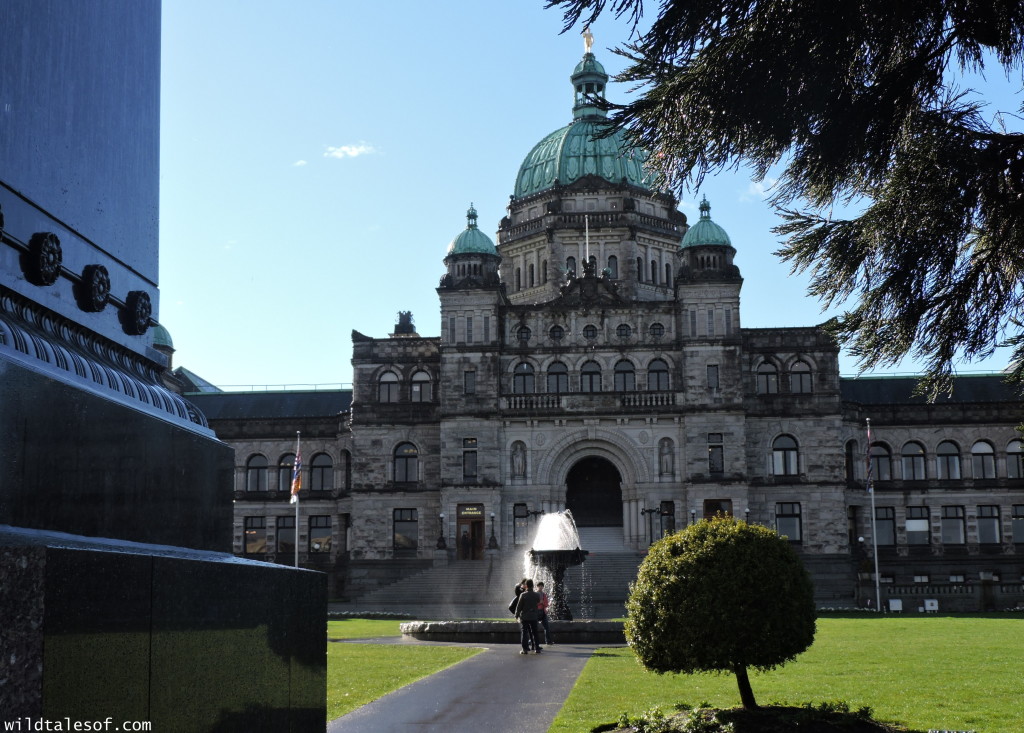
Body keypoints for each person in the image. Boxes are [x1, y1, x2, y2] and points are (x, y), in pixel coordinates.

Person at [513, 578, 543, 654]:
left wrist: (516, 615)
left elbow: (519, 607)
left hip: (525, 617)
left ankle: (525, 649)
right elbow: (538, 601)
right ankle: (537, 648)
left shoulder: (523, 595)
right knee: (535, 632)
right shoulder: (537, 595)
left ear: (526, 586)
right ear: (533, 586)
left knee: (524, 633)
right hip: (533, 616)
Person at [537, 581, 552, 645]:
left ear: (543, 587)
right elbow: (533, 603)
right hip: (537, 612)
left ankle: (548, 641)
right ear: (537, 586)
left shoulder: (544, 594)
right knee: (534, 627)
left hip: (543, 612)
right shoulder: (535, 594)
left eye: (541, 586)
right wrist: (540, 602)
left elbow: (546, 604)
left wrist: (542, 602)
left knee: (547, 627)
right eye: (539, 586)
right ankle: (532, 641)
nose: (540, 587)